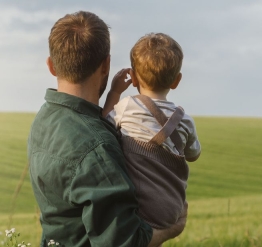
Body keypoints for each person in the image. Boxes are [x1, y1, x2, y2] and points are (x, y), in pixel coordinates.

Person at [27, 11, 187, 247]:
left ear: (51, 66)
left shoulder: (44, 119)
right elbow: (125, 241)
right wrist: (173, 228)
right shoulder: (97, 147)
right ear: (106, 65)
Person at [102, 33, 201, 230]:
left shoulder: (127, 106)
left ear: (134, 77)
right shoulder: (185, 120)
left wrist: (114, 92)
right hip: (170, 210)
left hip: (136, 207)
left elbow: (104, 123)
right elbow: (193, 155)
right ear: (176, 81)